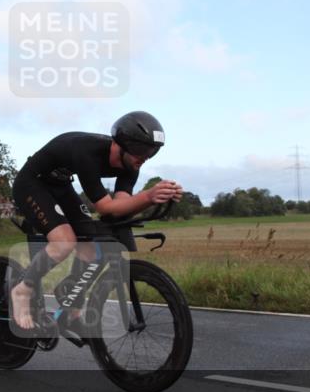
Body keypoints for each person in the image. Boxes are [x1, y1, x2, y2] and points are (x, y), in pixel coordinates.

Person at [10, 111, 182, 333]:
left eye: (152, 152)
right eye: (141, 150)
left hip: (60, 185)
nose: (144, 157)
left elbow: (120, 208)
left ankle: (70, 301)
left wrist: (156, 199)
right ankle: (23, 290)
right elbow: (105, 207)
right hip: (31, 183)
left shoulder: (131, 165)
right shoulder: (87, 152)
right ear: (120, 145)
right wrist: (148, 196)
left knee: (91, 246)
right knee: (64, 242)